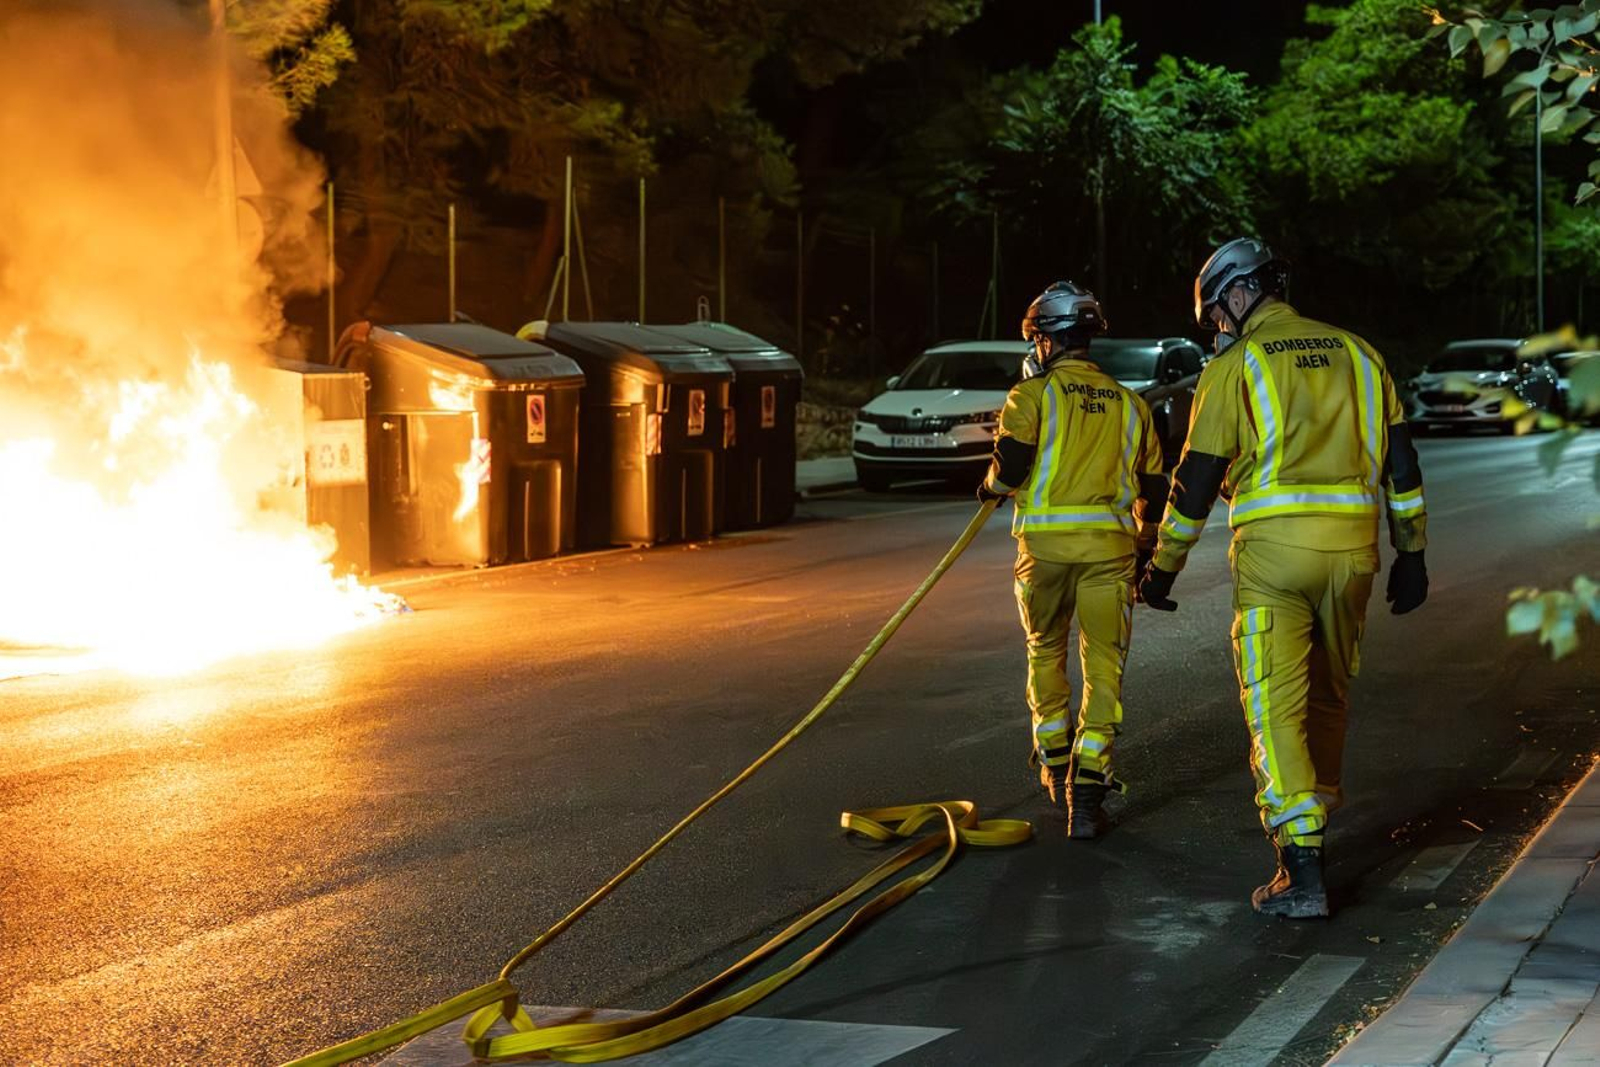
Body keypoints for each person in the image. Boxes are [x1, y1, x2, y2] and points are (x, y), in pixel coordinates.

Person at [1139, 238, 1429, 917]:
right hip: (1354, 557)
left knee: (1274, 703)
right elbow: (1402, 464)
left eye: (1215, 314)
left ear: (1239, 295)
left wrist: (1161, 571)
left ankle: (1301, 865)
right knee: (1329, 695)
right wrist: (1412, 551)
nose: (1216, 327)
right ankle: (1316, 812)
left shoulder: (1236, 365)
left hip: (1275, 560)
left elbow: (1197, 483)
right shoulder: (1361, 354)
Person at [979, 281, 1168, 839]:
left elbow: (1009, 468)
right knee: (1104, 667)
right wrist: (1144, 546)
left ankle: (1055, 766)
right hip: (1109, 555)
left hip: (1043, 556)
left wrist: (989, 487)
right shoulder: (1133, 405)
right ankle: (1087, 795)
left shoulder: (1030, 397)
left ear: (1043, 341)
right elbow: (1153, 492)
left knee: (1045, 653)